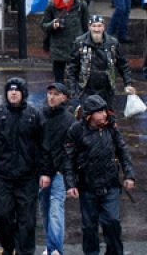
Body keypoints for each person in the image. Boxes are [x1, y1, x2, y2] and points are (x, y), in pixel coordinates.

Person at [0, 78, 43, 255]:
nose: (13, 93)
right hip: (3, 176)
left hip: (27, 177)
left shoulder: (34, 116)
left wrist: (43, 171)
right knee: (3, 216)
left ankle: (25, 251)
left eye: (17, 90)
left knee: (27, 220)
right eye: (10, 90)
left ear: (23, 93)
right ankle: (8, 247)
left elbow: (41, 145)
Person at [63, 96, 133, 255]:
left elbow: (123, 151)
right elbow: (68, 159)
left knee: (112, 222)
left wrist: (129, 175)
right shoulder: (76, 130)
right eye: (99, 112)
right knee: (89, 227)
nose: (104, 114)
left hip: (110, 184)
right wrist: (70, 184)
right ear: (89, 115)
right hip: (87, 186)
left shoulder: (111, 127)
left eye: (104, 111)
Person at [38, 82, 76, 255]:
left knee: (55, 209)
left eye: (56, 94)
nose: (51, 97)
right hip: (43, 171)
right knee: (46, 209)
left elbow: (70, 149)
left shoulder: (69, 120)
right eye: (50, 93)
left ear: (64, 97)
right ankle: (51, 246)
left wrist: (61, 171)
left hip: (59, 171)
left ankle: (55, 249)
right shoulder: (41, 115)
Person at [67, 14, 135, 105]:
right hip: (86, 90)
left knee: (106, 113)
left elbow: (123, 65)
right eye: (94, 26)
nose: (97, 29)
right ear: (89, 27)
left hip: (107, 90)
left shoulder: (113, 43)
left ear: (104, 27)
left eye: (99, 26)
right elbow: (72, 68)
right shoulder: (80, 42)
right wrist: (73, 90)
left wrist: (128, 84)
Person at [41, 0, 89, 85]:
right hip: (58, 47)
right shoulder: (52, 5)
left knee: (75, 79)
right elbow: (43, 25)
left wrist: (87, 43)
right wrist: (52, 24)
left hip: (75, 46)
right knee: (59, 80)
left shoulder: (81, 5)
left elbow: (86, 25)